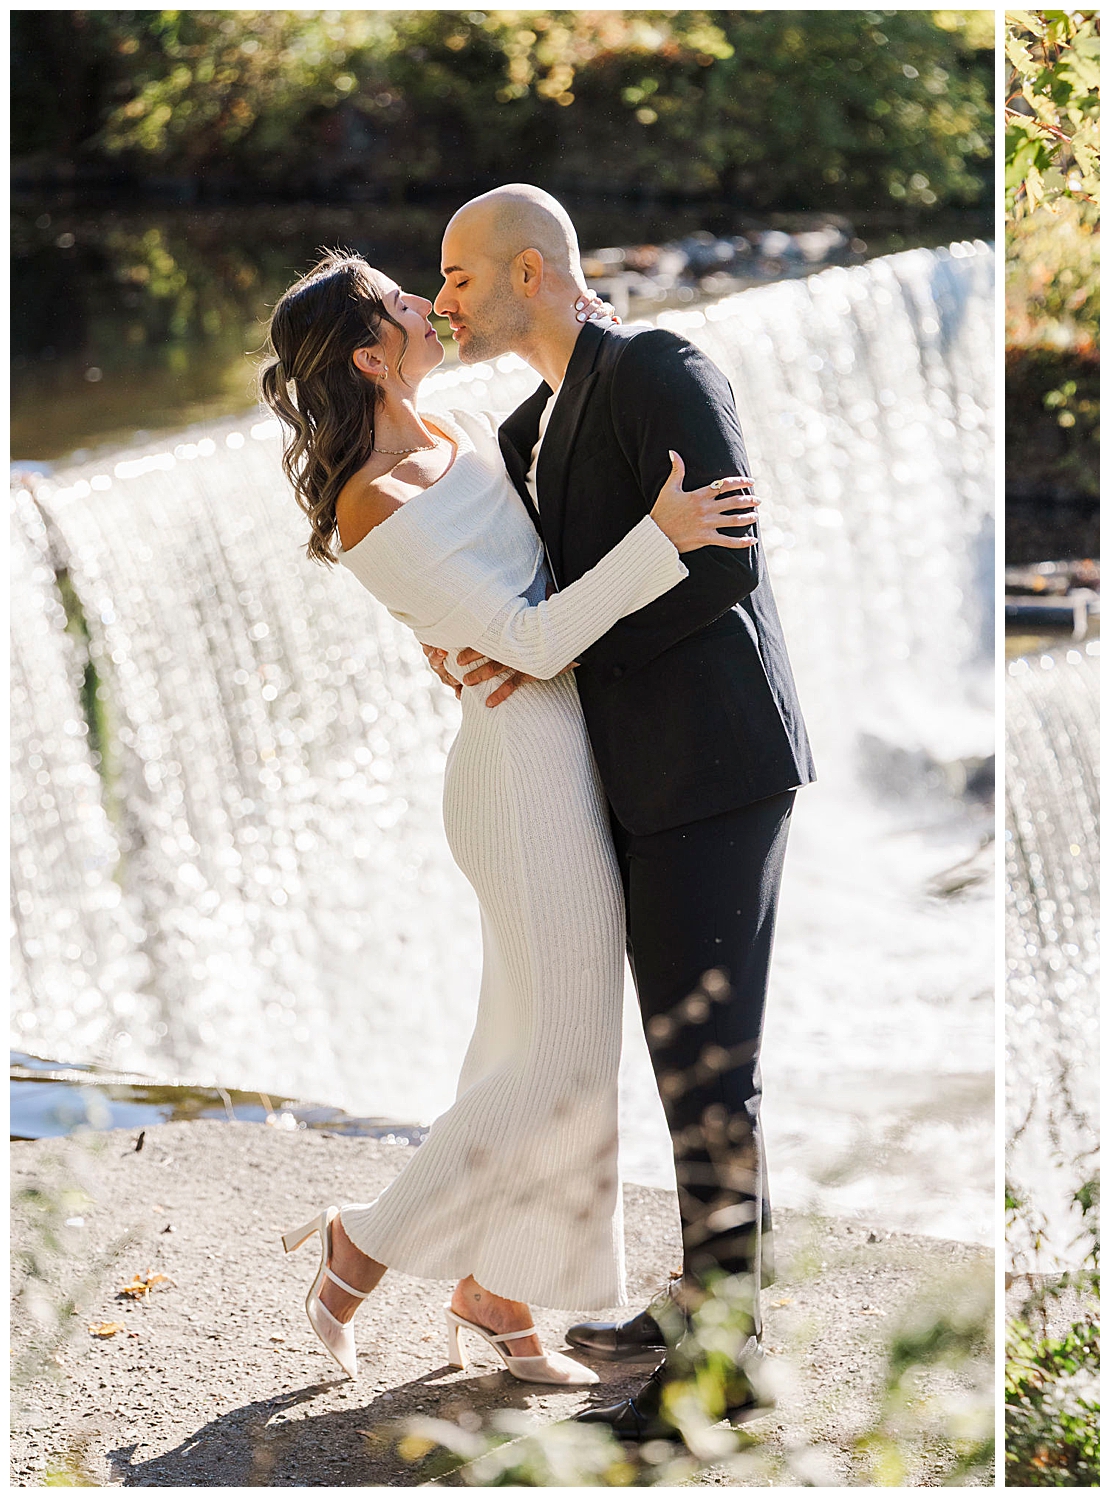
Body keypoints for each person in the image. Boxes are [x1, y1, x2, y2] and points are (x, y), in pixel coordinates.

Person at [262, 248, 760, 1387]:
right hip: (520, 769)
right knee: (556, 1062)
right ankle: (361, 1246)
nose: (428, 305)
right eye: (402, 301)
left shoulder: (456, 430)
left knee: (547, 1051)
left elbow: (517, 588)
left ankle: (499, 1292)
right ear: (368, 355)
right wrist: (664, 539)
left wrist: (589, 320)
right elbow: (531, 640)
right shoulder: (371, 503)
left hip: (571, 748)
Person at [428, 185, 814, 1440]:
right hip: (633, 778)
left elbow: (729, 559)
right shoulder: (531, 421)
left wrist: (557, 656)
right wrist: (480, 646)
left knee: (715, 1071)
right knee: (675, 1060)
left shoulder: (660, 367)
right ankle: (701, 1304)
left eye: (462, 279)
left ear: (531, 270)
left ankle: (724, 1370)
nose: (444, 300)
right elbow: (533, 595)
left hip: (718, 769)